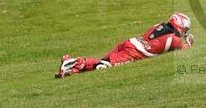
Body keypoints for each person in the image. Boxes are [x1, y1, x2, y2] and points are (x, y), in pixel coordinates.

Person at [55, 12, 194, 78]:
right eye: (185, 30)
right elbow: (182, 49)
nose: (185, 33)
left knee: (101, 63)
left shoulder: (159, 25)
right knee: (103, 65)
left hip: (129, 43)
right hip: (133, 53)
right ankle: (72, 62)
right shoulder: (174, 40)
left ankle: (72, 71)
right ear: (180, 26)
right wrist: (189, 43)